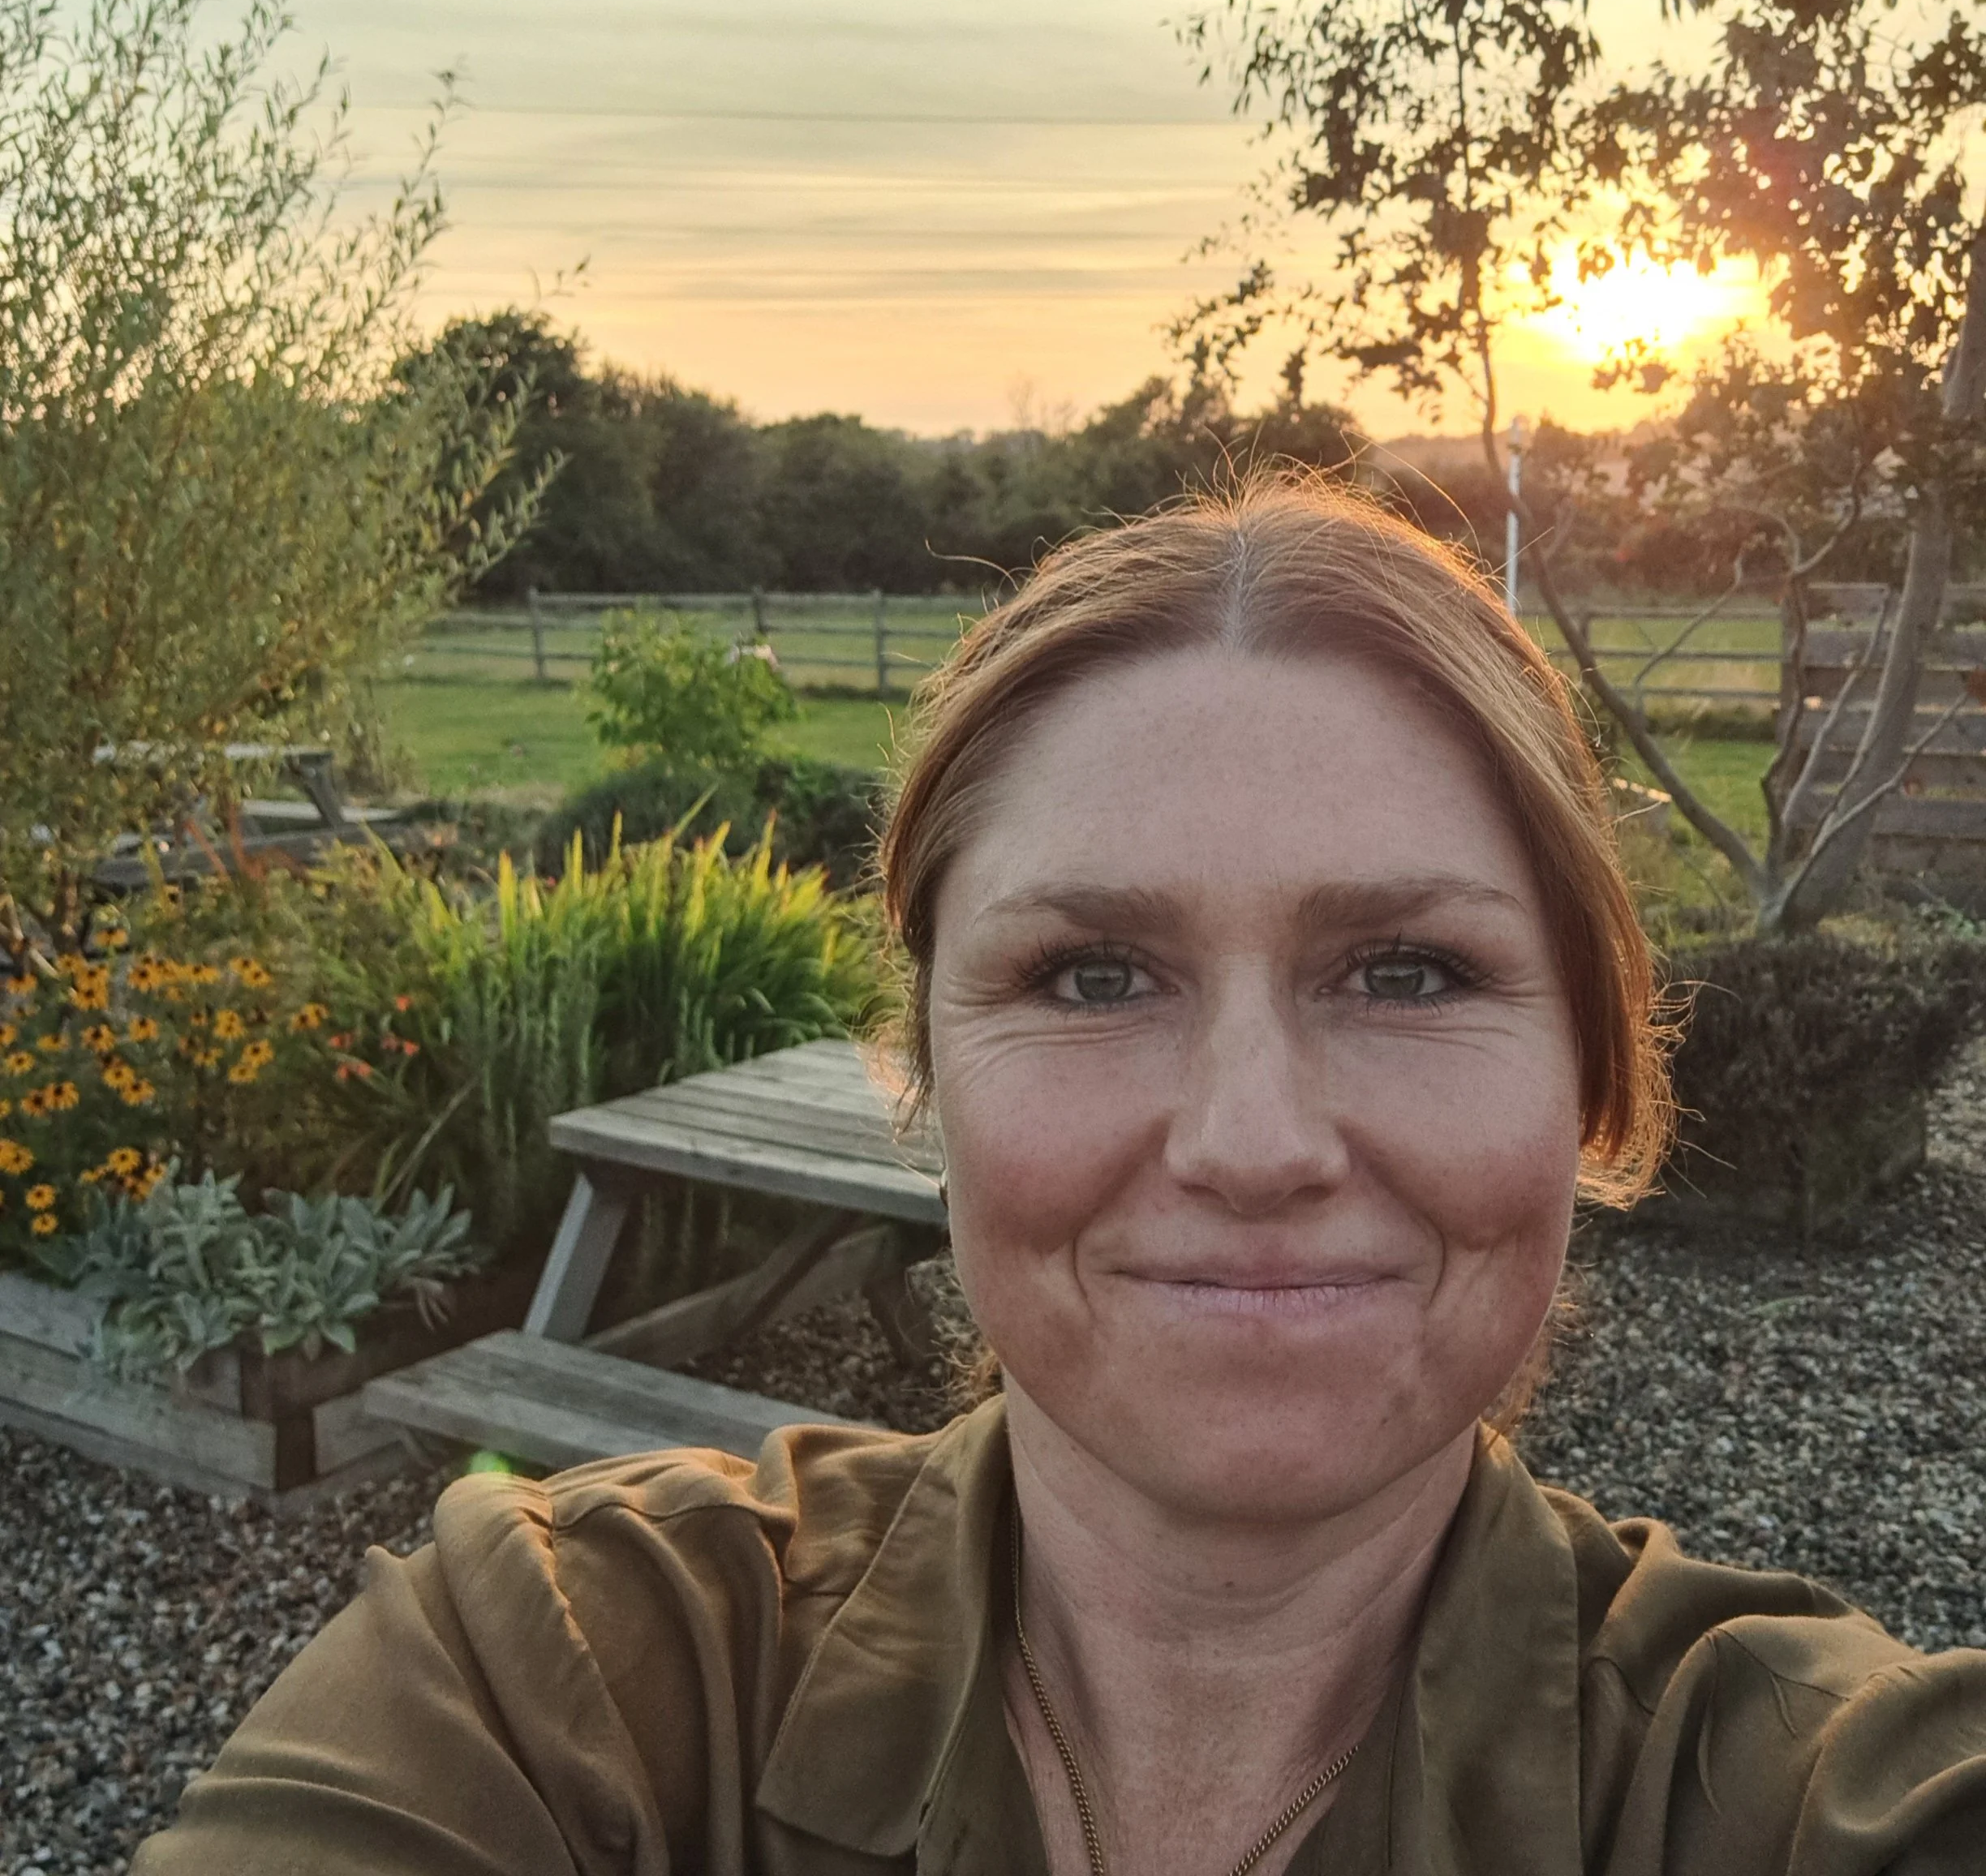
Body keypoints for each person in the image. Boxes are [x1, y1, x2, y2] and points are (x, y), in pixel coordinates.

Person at [134, 475, 1986, 1875]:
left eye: (1408, 973)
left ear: (1590, 1072)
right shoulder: (566, 1676)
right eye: (1095, 977)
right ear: (929, 1076)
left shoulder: (1803, 1789)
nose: (1252, 1143)